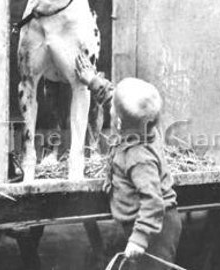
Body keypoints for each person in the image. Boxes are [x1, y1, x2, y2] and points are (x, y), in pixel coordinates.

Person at [75, 53, 182, 270]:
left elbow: (153, 201)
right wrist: (93, 81)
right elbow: (114, 98)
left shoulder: (139, 159)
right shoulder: (145, 125)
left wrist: (140, 238)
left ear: (119, 122)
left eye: (112, 108)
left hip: (156, 230)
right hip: (144, 223)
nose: (109, 107)